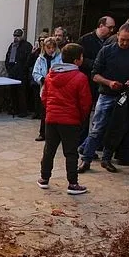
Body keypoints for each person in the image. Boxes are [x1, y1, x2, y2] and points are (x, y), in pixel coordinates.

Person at [78, 24, 129, 173]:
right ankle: (86, 159)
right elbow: (94, 74)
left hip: (126, 95)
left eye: (128, 40)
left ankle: (107, 158)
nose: (125, 43)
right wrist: (109, 82)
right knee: (97, 128)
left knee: (116, 128)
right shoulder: (106, 50)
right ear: (117, 36)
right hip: (107, 94)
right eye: (122, 40)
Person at [38, 43, 92, 195]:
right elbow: (85, 102)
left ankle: (44, 178)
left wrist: (50, 110)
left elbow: (44, 97)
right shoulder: (80, 77)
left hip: (51, 118)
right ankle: (73, 183)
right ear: (76, 60)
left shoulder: (50, 75)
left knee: (49, 149)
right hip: (70, 121)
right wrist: (81, 117)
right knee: (70, 152)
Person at [32, 37, 62, 141]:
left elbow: (62, 71)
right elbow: (35, 72)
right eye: (48, 48)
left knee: (55, 111)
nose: (51, 50)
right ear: (44, 48)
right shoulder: (40, 59)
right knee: (44, 111)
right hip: (45, 87)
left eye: (53, 47)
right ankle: (43, 133)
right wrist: (42, 79)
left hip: (57, 87)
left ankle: (55, 134)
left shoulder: (59, 58)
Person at [4, 28, 33, 116]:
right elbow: (8, 57)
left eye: (18, 36)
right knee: (12, 92)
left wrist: (24, 68)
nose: (16, 38)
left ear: (22, 36)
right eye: (15, 36)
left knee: (21, 93)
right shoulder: (12, 45)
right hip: (12, 72)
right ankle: (14, 108)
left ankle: (23, 111)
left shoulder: (27, 46)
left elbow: (28, 59)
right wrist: (9, 68)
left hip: (22, 73)